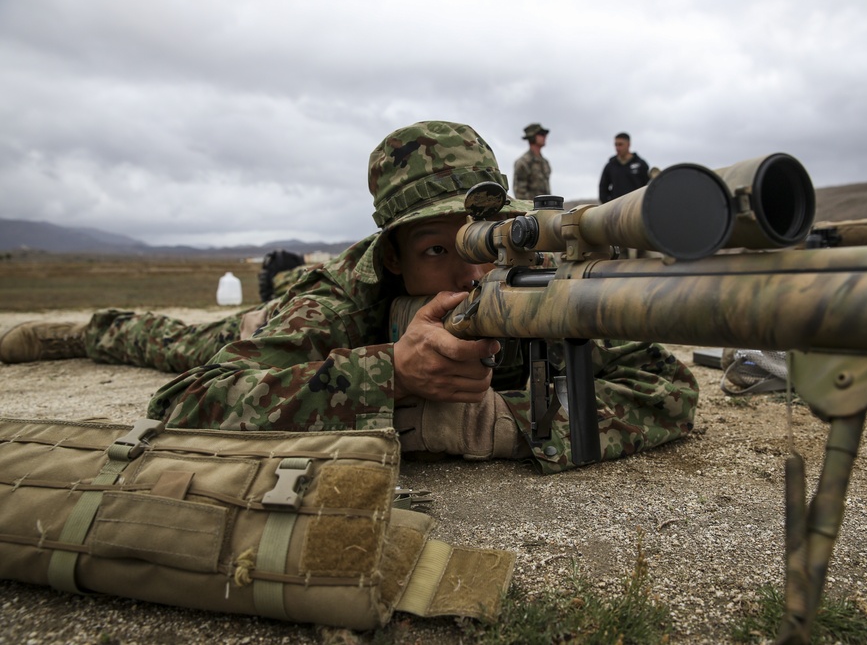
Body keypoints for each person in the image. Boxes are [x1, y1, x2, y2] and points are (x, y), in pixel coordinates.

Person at [0, 121, 698, 474]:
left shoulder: (527, 284)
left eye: (483, 244)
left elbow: (668, 387)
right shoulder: (337, 300)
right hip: (295, 333)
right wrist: (388, 375)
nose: (469, 273)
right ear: (391, 255)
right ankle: (79, 329)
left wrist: (507, 423)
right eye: (436, 250)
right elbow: (188, 402)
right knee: (179, 341)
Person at [598, 132, 650, 203]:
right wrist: (608, 205)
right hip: (616, 209)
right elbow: (603, 188)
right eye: (616, 145)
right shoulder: (610, 166)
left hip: (636, 206)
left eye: (620, 144)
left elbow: (648, 186)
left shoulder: (640, 164)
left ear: (628, 144)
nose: (617, 148)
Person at [513, 123, 551, 200]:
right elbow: (520, 193)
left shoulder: (545, 162)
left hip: (545, 208)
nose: (545, 137)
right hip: (530, 209)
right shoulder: (523, 162)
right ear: (532, 137)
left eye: (544, 134)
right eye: (541, 134)